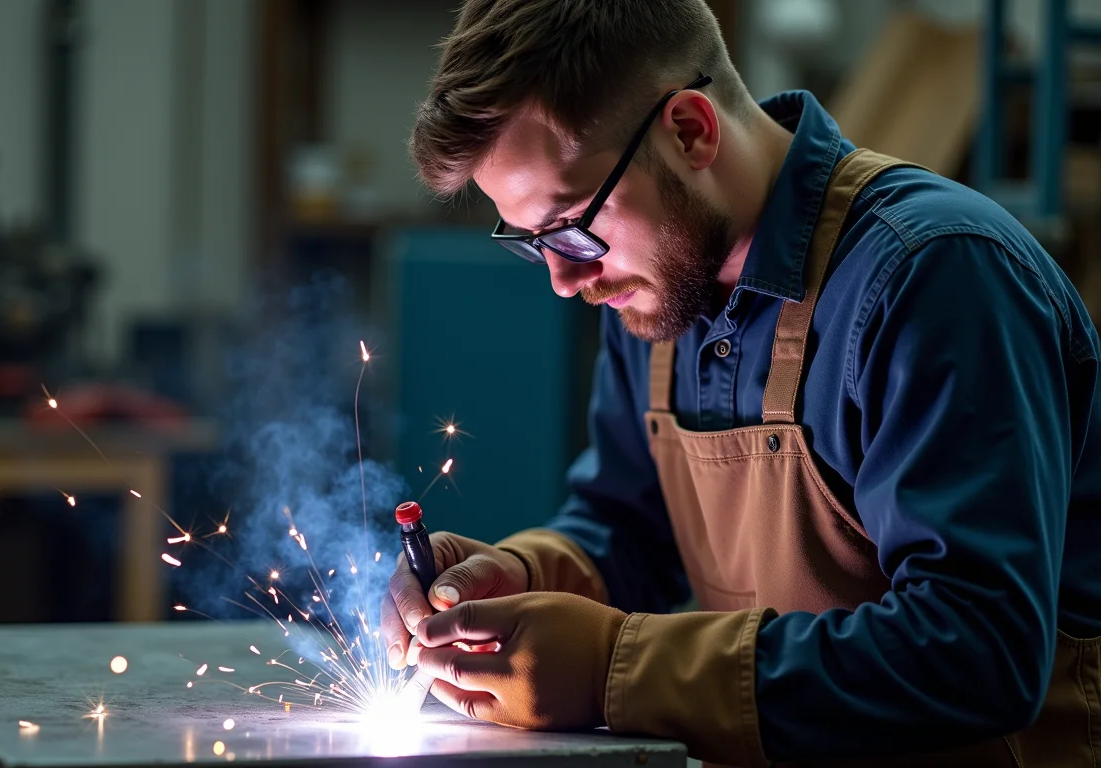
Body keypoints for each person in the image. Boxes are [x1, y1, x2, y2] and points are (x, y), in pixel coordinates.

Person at [379, 1, 1101, 766]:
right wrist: (520, 575)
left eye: (569, 227)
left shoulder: (935, 277)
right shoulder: (654, 287)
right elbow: (628, 530)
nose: (563, 279)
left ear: (690, 129)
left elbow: (977, 653)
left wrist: (613, 669)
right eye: (530, 244)